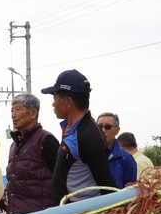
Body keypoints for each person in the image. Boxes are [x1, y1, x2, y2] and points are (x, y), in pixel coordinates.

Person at [40, 69, 117, 205]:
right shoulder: (72, 129)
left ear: (68, 102)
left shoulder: (89, 136)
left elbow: (107, 186)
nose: (53, 104)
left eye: (55, 98)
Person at [6, 93, 59, 214]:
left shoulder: (46, 140)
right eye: (12, 110)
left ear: (33, 113)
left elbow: (61, 178)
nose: (13, 114)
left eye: (18, 109)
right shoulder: (15, 145)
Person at [96, 112, 137, 188]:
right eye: (99, 126)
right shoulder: (87, 154)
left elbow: (130, 191)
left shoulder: (126, 159)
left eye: (108, 127)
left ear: (117, 130)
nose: (103, 130)